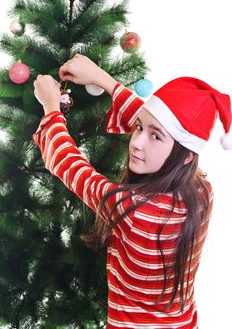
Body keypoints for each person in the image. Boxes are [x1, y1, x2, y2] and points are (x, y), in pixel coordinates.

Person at [33, 54, 232, 329]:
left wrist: (51, 107)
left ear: (185, 155)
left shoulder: (135, 210)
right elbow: (158, 125)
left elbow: (68, 163)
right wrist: (102, 79)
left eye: (154, 136)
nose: (136, 143)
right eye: (139, 127)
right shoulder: (201, 189)